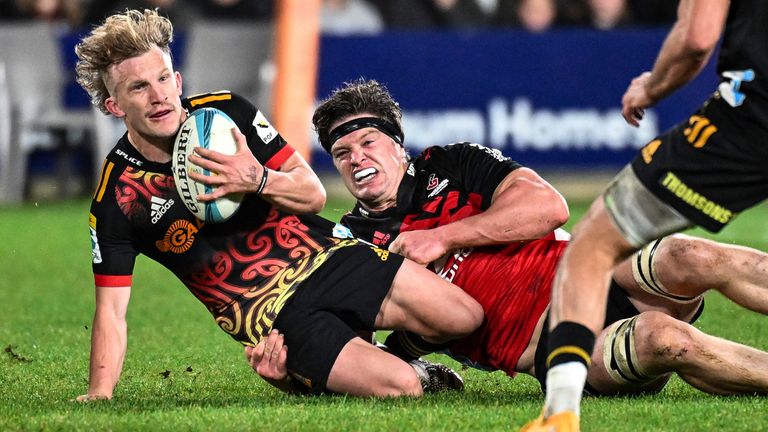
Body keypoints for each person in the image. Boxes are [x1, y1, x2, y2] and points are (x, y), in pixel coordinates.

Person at [248, 79, 768, 403]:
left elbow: (549, 208)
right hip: (552, 347)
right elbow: (351, 350)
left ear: (397, 145)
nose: (357, 159)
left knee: (689, 252)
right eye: (342, 153)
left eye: (367, 141)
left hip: (590, 275)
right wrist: (289, 377)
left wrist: (442, 237)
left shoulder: (453, 163)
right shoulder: (351, 244)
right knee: (663, 338)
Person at [73, 9, 483, 401]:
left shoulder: (227, 115)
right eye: (138, 87)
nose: (158, 96)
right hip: (273, 317)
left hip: (329, 258)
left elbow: (313, 194)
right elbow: (111, 312)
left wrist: (257, 178)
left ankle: (376, 354)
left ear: (178, 80)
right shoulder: (119, 197)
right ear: (114, 106)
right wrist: (99, 393)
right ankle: (382, 370)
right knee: (402, 388)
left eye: (162, 78)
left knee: (463, 317)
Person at [528, 0, 768, 430]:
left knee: (592, 245)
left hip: (751, 120)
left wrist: (652, 87)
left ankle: (559, 414)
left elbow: (697, 38)